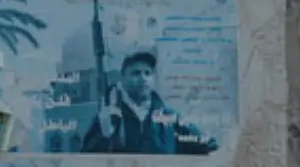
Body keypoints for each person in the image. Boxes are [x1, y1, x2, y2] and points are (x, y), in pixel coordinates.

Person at [81, 50, 219, 155]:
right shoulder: (108, 117)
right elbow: (86, 158)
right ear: (123, 79)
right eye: (136, 73)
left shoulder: (170, 118)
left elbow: (207, 145)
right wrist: (104, 137)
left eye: (147, 73)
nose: (143, 78)